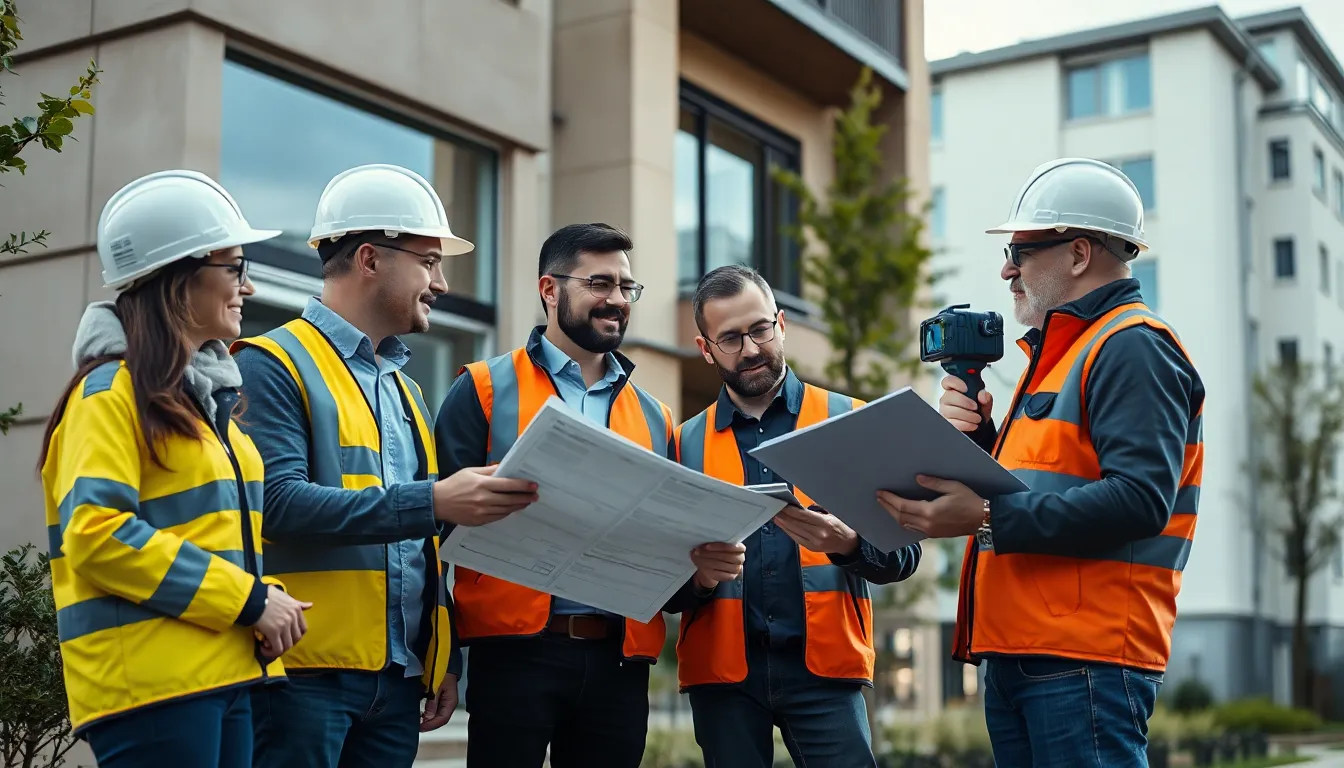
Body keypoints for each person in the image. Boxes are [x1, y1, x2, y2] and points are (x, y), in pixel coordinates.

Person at [876, 158, 1205, 767]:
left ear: (1079, 254)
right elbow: (1041, 484)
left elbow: (1140, 500)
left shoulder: (1131, 346)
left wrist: (986, 517)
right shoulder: (1063, 354)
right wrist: (980, 444)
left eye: (1021, 252)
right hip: (1025, 652)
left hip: (1083, 660)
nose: (1007, 269)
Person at [231, 164, 536, 768]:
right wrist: (435, 499)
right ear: (370, 259)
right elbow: (276, 505)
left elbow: (421, 546)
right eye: (429, 262)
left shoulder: (405, 390)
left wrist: (441, 654)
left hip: (397, 680)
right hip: (302, 674)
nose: (440, 283)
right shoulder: (270, 364)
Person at [433, 222, 745, 768]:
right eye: (600, 283)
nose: (617, 299)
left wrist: (700, 574)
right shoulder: (482, 389)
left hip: (619, 664)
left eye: (626, 287)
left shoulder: (655, 416)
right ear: (549, 290)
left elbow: (664, 553)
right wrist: (443, 659)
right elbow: (431, 535)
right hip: (511, 657)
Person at [37, 170, 310, 768]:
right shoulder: (110, 394)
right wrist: (249, 601)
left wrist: (261, 600)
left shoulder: (198, 402)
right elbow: (97, 533)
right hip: (156, 685)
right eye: (235, 268)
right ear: (178, 278)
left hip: (220, 674)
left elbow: (207, 537)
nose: (248, 286)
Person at [670, 264, 923, 767]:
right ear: (705, 349)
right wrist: (698, 579)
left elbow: (906, 555)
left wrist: (848, 544)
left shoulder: (850, 420)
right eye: (730, 338)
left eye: (760, 329)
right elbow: (663, 583)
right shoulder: (683, 444)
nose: (750, 348)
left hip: (826, 672)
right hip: (723, 678)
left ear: (781, 324)